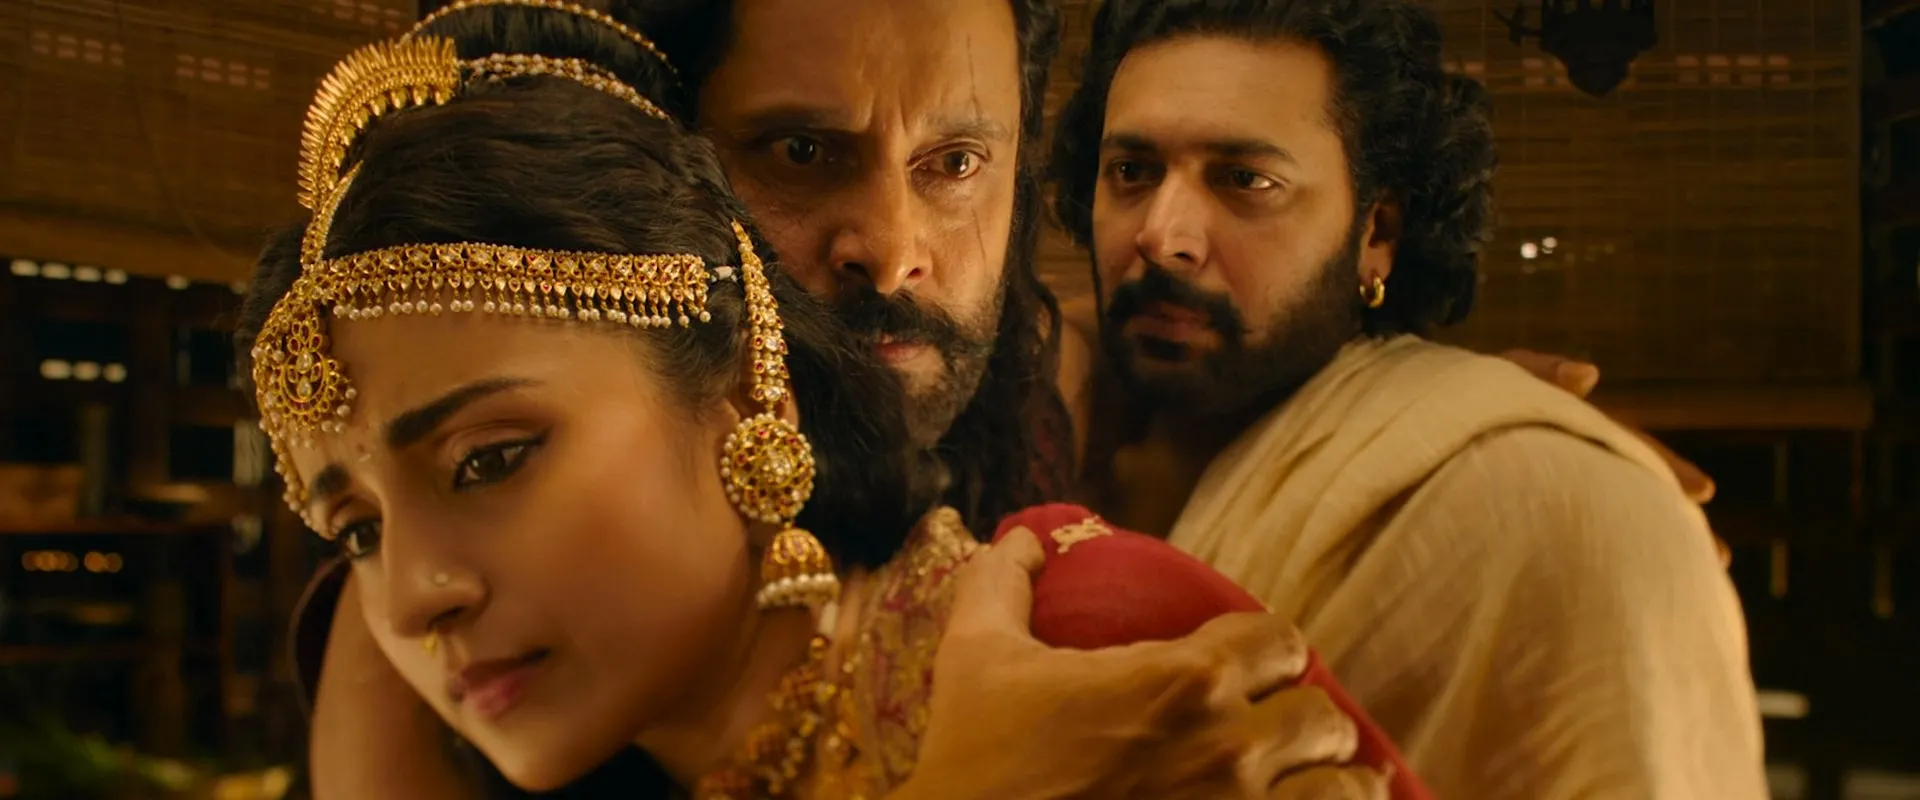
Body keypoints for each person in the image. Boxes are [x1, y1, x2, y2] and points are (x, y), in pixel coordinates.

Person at [255, 19, 1402, 800]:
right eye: (354, 529)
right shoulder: (498, 707)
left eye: (492, 457)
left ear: (738, 382)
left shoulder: (1094, 633)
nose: (413, 595)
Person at [1047, 1, 1768, 797]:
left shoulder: (1543, 504)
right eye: (1133, 172)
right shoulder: (1043, 425)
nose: (1162, 234)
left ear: (1377, 233)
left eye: (1246, 180)